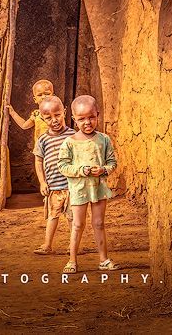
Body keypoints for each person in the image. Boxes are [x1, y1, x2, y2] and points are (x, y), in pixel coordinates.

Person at [56, 95, 119, 274]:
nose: (87, 122)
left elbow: (112, 162)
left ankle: (103, 260)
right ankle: (72, 260)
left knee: (99, 223)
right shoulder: (69, 143)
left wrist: (104, 170)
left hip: (98, 189)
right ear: (74, 119)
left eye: (91, 117)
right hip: (78, 190)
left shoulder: (104, 139)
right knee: (77, 224)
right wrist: (81, 170)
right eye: (81, 119)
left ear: (97, 115)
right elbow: (62, 165)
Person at [30, 95, 75, 255]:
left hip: (71, 187)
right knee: (52, 216)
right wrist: (42, 182)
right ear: (42, 118)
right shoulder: (43, 140)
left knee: (72, 218)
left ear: (64, 111)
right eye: (48, 118)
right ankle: (47, 245)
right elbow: (38, 162)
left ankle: (73, 246)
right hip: (53, 187)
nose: (54, 120)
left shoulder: (73, 136)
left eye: (57, 115)